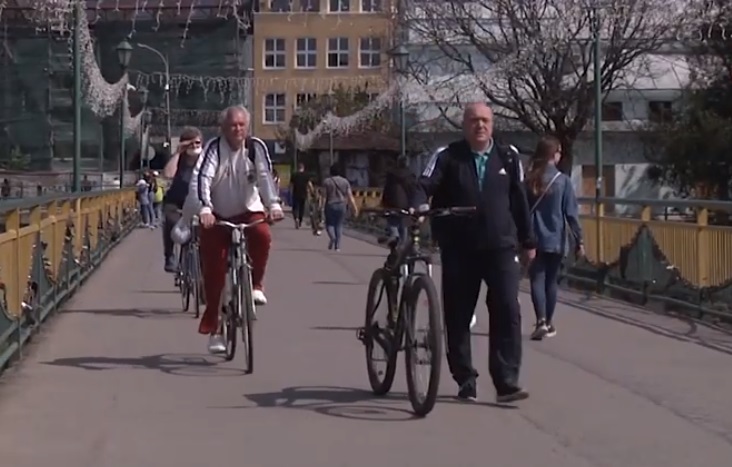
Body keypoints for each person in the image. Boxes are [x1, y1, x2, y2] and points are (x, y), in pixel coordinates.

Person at [412, 102, 536, 403]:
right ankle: (465, 378)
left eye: (485, 120)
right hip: (459, 248)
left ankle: (506, 381)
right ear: (464, 125)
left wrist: (528, 240)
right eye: (473, 120)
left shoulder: (509, 156)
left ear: (492, 125)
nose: (480, 125)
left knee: (508, 309)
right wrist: (419, 204)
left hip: (501, 247)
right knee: (458, 315)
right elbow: (424, 184)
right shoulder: (447, 156)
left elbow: (520, 201)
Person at [188, 105, 284, 354]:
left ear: (247, 126)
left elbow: (264, 177)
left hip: (248, 209)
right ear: (223, 128)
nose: (237, 129)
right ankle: (215, 328)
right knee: (215, 270)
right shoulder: (213, 149)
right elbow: (202, 178)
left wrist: (273, 204)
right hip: (217, 215)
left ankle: (256, 286)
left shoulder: (255, 148)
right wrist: (205, 209)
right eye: (232, 125)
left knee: (262, 235)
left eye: (242, 125)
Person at [525, 135, 584, 340]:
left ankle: (540, 319)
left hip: (533, 238)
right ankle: (549, 323)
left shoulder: (530, 179)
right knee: (551, 281)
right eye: (558, 151)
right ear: (554, 155)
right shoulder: (563, 181)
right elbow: (571, 214)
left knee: (537, 279)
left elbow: (521, 210)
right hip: (556, 239)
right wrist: (579, 240)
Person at [160, 126, 204, 272]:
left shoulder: (205, 160)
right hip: (177, 201)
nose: (195, 147)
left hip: (198, 202)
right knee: (171, 221)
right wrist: (178, 152)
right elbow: (168, 174)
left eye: (197, 143)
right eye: (190, 144)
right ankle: (169, 256)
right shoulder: (179, 160)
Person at [379, 156, 417, 246]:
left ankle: (395, 236)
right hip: (405, 203)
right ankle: (402, 245)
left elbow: (387, 189)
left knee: (392, 222)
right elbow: (413, 190)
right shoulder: (411, 175)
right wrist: (413, 203)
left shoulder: (391, 174)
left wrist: (384, 201)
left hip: (392, 202)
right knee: (403, 225)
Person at [321, 164, 359, 251]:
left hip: (330, 204)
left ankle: (332, 238)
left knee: (329, 224)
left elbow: (324, 196)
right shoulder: (345, 182)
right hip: (342, 205)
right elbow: (350, 196)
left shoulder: (327, 181)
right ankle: (337, 245)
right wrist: (355, 207)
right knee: (339, 225)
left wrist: (321, 206)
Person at [290, 162, 309, 229]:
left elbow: (291, 185)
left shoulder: (294, 175)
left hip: (295, 193)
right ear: (303, 168)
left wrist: (290, 192)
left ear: (298, 168)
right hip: (303, 194)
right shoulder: (306, 175)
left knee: (295, 207)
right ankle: (300, 220)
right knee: (302, 208)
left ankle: (296, 218)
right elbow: (308, 184)